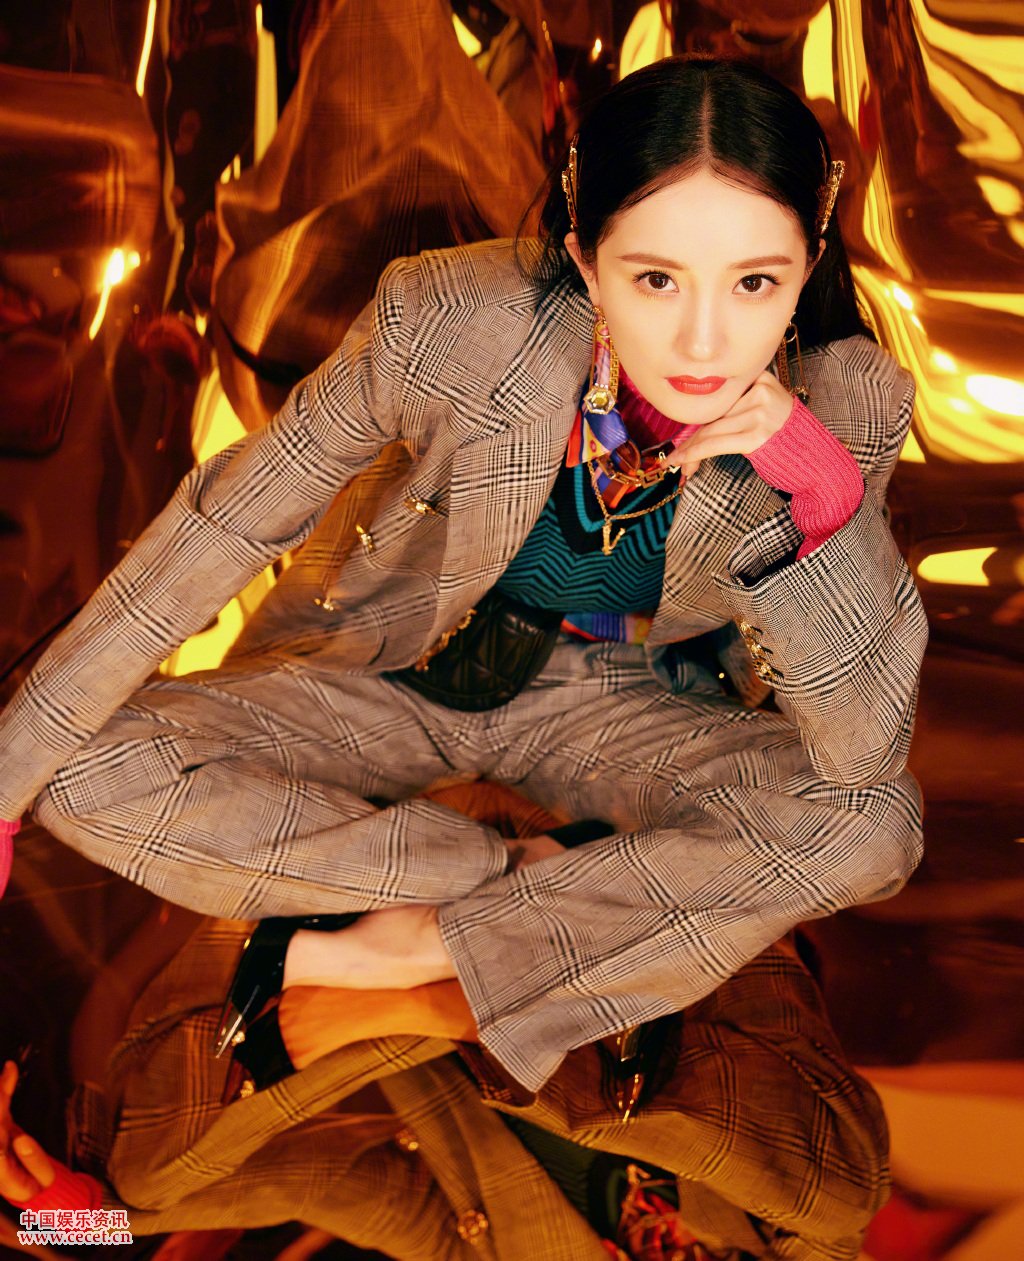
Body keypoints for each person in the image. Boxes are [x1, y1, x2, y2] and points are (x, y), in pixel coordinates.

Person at [0, 55, 927, 1099]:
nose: (703, 340)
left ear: (807, 265)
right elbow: (230, 522)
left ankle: (405, 949)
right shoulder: (449, 320)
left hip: (628, 714)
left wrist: (820, 497)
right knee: (67, 767)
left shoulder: (847, 398)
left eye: (755, 282)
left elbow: (860, 752)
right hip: (394, 677)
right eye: (655, 279)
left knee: (872, 825)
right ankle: (543, 898)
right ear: (585, 259)